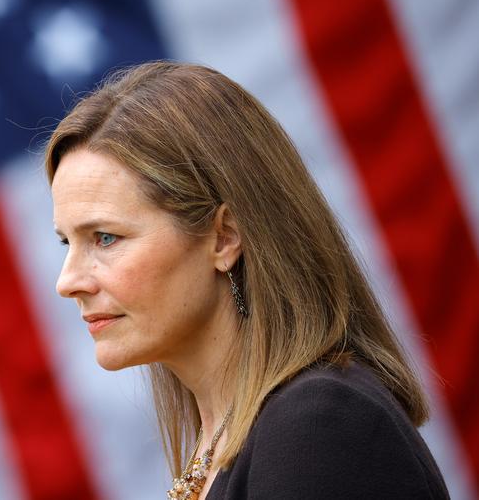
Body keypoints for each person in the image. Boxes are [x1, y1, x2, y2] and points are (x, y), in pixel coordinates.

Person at [45, 61, 449, 499]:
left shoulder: (317, 426)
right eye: (68, 242)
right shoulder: (230, 440)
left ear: (224, 237)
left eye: (105, 238)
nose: (67, 282)